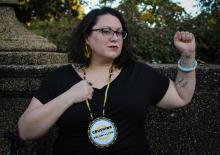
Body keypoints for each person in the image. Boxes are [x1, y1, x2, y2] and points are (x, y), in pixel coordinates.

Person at [18, 7, 197, 155]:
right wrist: (69, 96)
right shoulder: (60, 78)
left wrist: (188, 55)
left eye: (120, 33)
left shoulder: (139, 74)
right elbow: (26, 131)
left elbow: (181, 97)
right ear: (86, 37)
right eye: (106, 31)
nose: (115, 38)